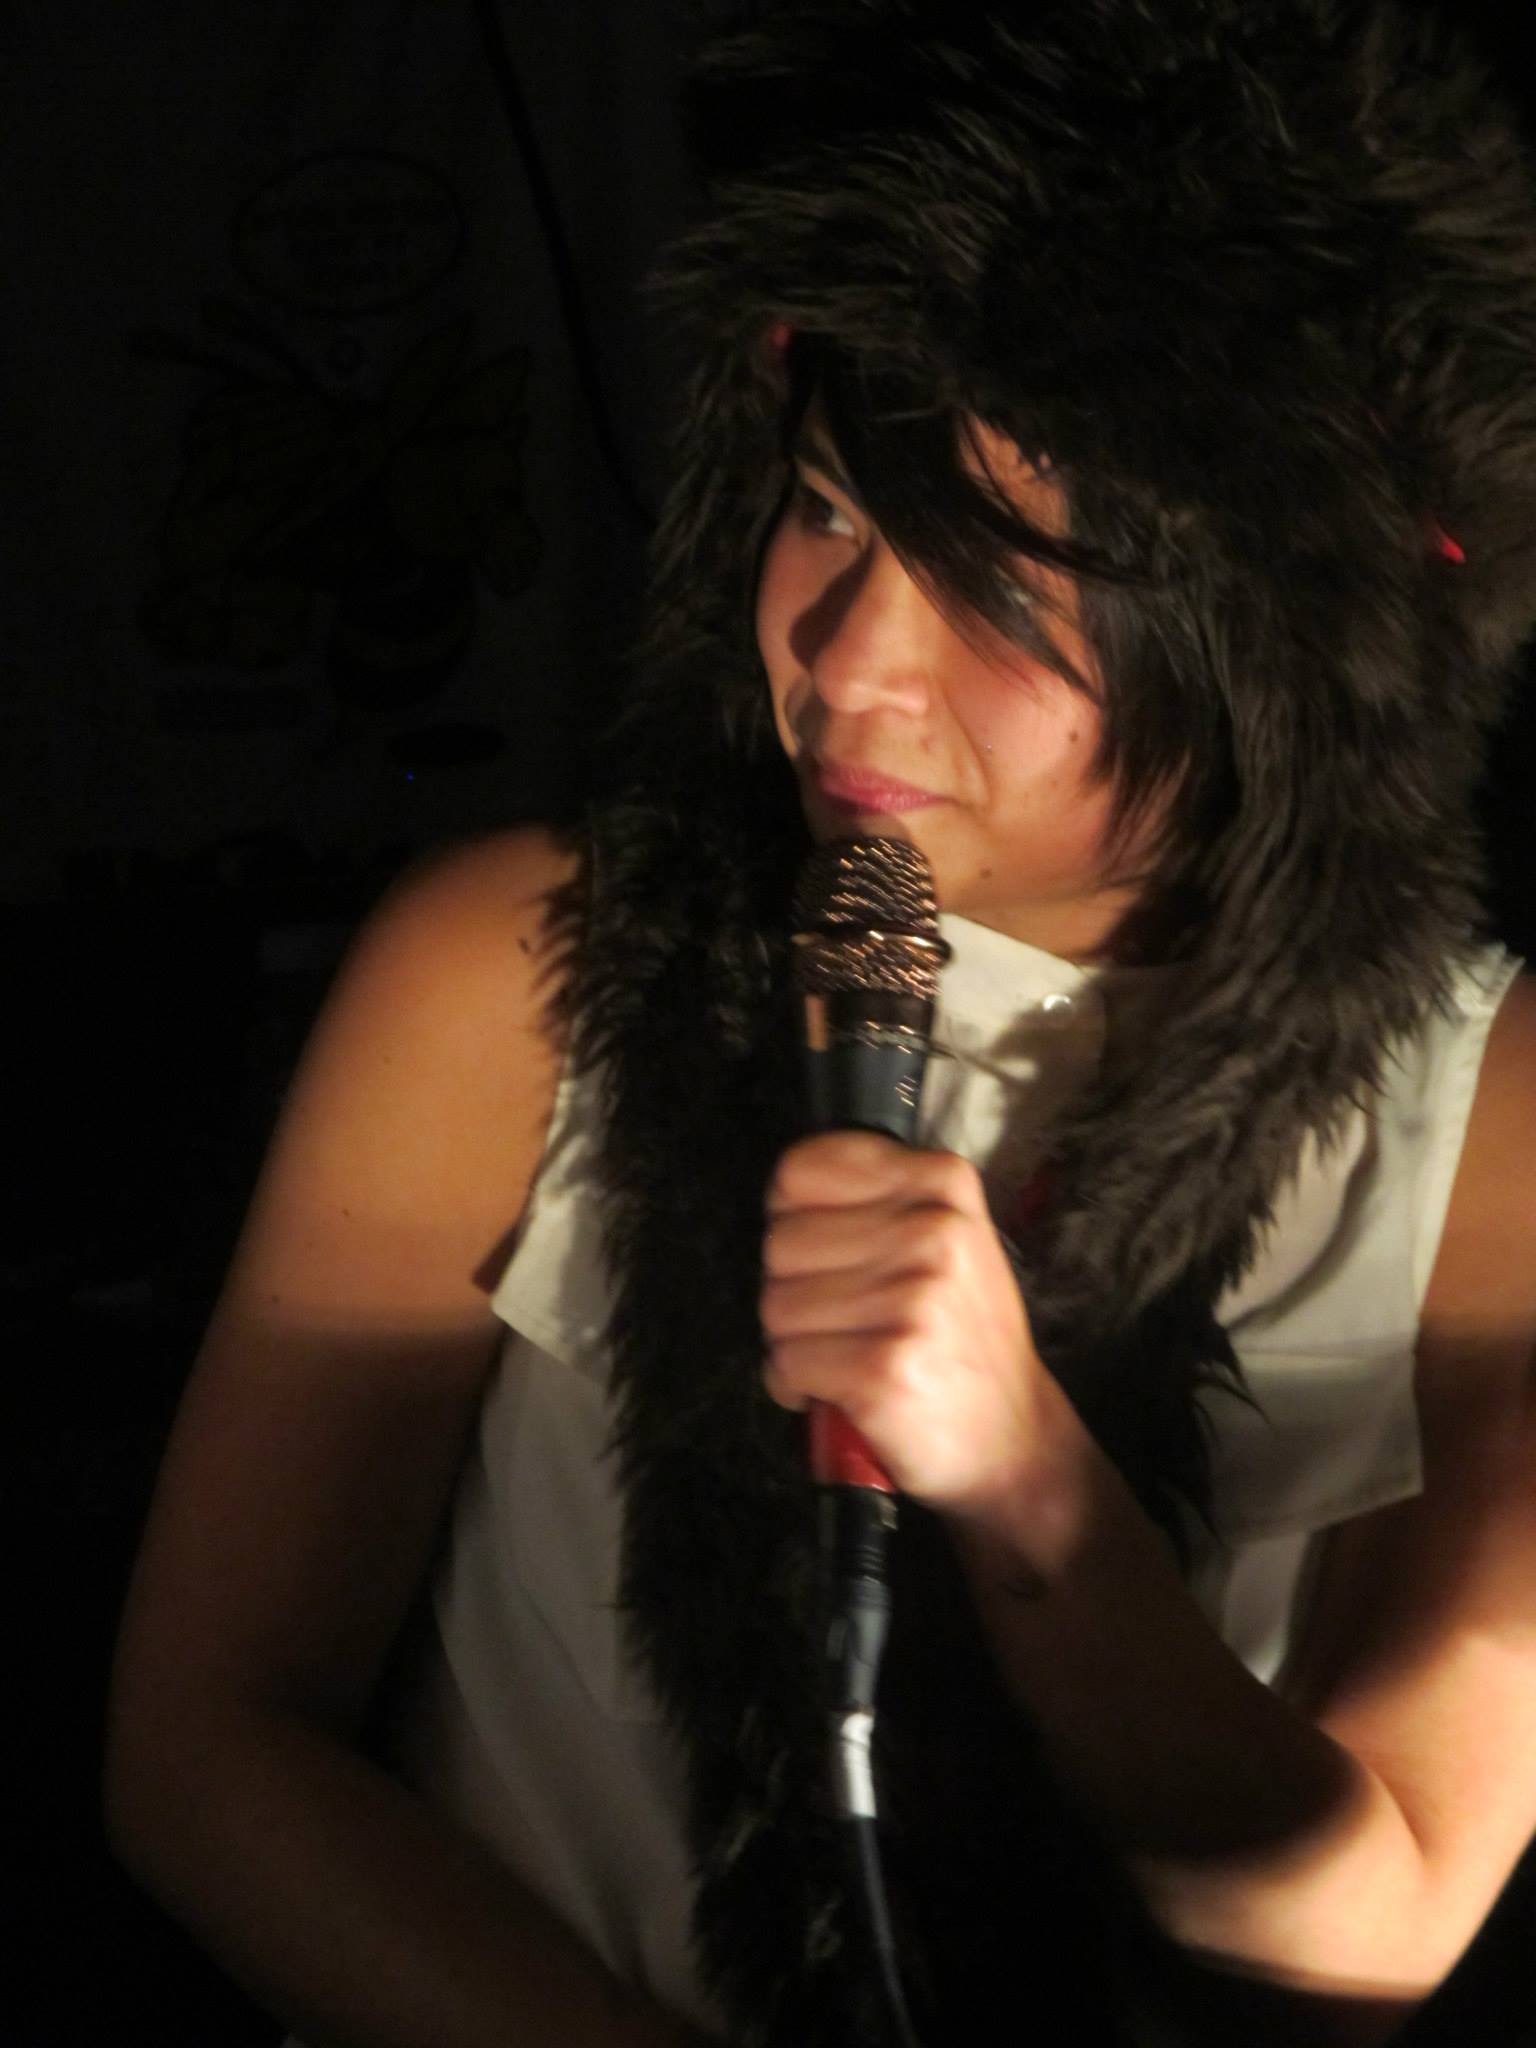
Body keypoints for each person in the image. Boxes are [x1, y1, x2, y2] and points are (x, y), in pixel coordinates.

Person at [104, 3, 1536, 2044]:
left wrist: (1034, 1491)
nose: (851, 659)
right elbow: (210, 1744)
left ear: (1284, 644)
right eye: (831, 514)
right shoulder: (512, 968)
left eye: (1000, 589)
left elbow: (1369, 1924)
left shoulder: (1490, 1105)